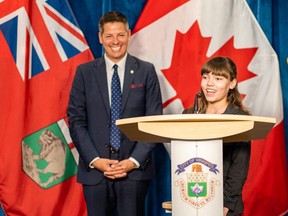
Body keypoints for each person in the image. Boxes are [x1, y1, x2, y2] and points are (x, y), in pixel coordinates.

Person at [67, 11, 162, 216]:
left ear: (128, 35)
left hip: (134, 171)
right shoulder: (84, 72)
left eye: (120, 35)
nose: (115, 41)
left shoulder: (146, 71)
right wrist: (95, 159)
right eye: (109, 36)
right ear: (101, 38)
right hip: (95, 172)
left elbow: (153, 122)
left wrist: (132, 161)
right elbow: (76, 121)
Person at [183, 56, 251, 216]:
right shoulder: (188, 114)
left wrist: (226, 203)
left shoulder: (239, 118)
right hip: (190, 199)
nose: (209, 84)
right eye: (206, 77)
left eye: (218, 78)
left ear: (232, 84)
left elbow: (239, 167)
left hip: (223, 206)